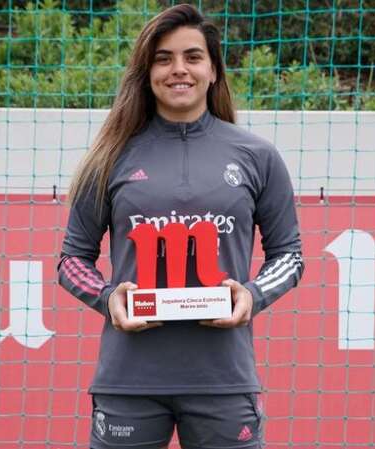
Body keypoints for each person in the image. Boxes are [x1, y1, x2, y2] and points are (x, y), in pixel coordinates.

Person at [57, 4, 303, 449]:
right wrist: (108, 298)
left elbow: (289, 255)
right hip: (128, 381)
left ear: (213, 70)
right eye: (163, 58)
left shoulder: (257, 156)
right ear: (147, 72)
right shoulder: (110, 156)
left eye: (192, 57)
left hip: (224, 380)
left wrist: (252, 294)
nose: (178, 69)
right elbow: (72, 260)